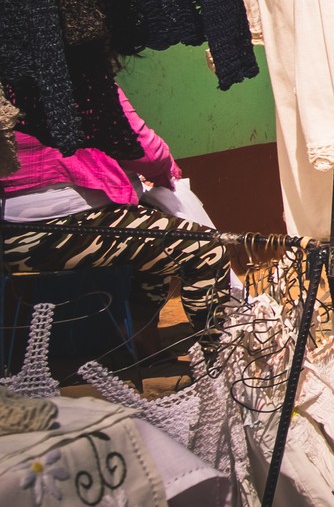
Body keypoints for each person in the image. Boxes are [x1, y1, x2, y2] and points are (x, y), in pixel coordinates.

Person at [2, 87, 233, 349]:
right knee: (205, 250)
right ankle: (218, 360)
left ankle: (140, 334)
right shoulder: (80, 79)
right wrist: (165, 173)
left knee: (154, 225)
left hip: (10, 233)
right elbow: (147, 152)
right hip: (61, 228)